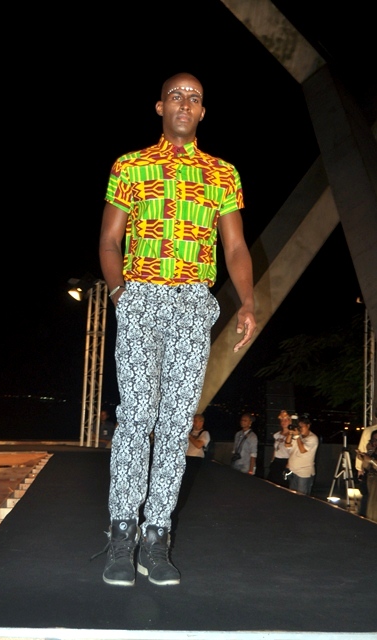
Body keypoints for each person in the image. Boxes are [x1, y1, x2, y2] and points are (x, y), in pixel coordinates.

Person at [96, 71, 256, 587]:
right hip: (141, 297)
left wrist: (247, 301)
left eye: (194, 98)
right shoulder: (131, 165)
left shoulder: (222, 173)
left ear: (203, 112)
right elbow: (109, 240)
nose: (184, 103)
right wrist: (120, 294)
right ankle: (122, 532)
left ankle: (155, 535)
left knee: (175, 423)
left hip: (192, 303)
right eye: (175, 96)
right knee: (135, 416)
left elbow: (234, 246)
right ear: (160, 107)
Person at [171, 414, 210, 543]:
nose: (195, 423)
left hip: (195, 459)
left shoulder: (204, 433)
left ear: (202, 422)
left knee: (187, 482)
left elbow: (199, 445)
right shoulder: (190, 432)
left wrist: (189, 436)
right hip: (185, 458)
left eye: (197, 421)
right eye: (194, 421)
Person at [284, 414, 319, 495]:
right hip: (292, 470)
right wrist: (290, 433)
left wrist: (297, 436)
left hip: (304, 473)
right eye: (299, 427)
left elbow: (302, 450)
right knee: (292, 495)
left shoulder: (313, 438)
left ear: (308, 425)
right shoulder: (298, 436)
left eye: (302, 426)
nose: (300, 429)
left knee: (302, 496)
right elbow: (287, 445)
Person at [355, 408, 377, 516]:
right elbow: (363, 449)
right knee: (367, 497)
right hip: (370, 473)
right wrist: (360, 467)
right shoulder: (369, 431)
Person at [267, 410, 293, 487]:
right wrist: (272, 460)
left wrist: (288, 466)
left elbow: (293, 451)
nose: (283, 422)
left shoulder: (292, 435)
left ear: (290, 421)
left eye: (285, 420)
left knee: (282, 484)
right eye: (282, 420)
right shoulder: (277, 434)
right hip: (276, 461)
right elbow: (275, 449)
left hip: (285, 461)